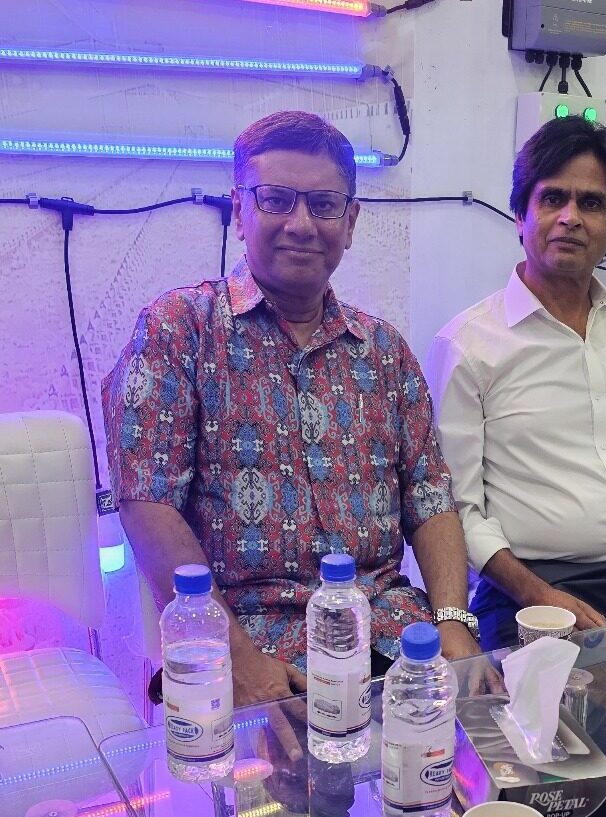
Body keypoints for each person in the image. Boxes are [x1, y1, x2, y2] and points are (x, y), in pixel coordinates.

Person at [102, 111, 482, 718]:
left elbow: (430, 496)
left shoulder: (383, 351)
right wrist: (237, 660)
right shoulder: (180, 330)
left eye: (324, 205)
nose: (301, 224)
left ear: (350, 222)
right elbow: (146, 499)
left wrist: (454, 622)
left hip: (392, 645)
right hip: (250, 649)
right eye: (276, 199)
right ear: (239, 209)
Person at [426, 116, 606, 651]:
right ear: (520, 214)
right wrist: (539, 595)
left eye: (592, 203)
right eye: (553, 198)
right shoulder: (468, 344)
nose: (571, 218)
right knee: (561, 709)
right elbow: (459, 508)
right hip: (534, 592)